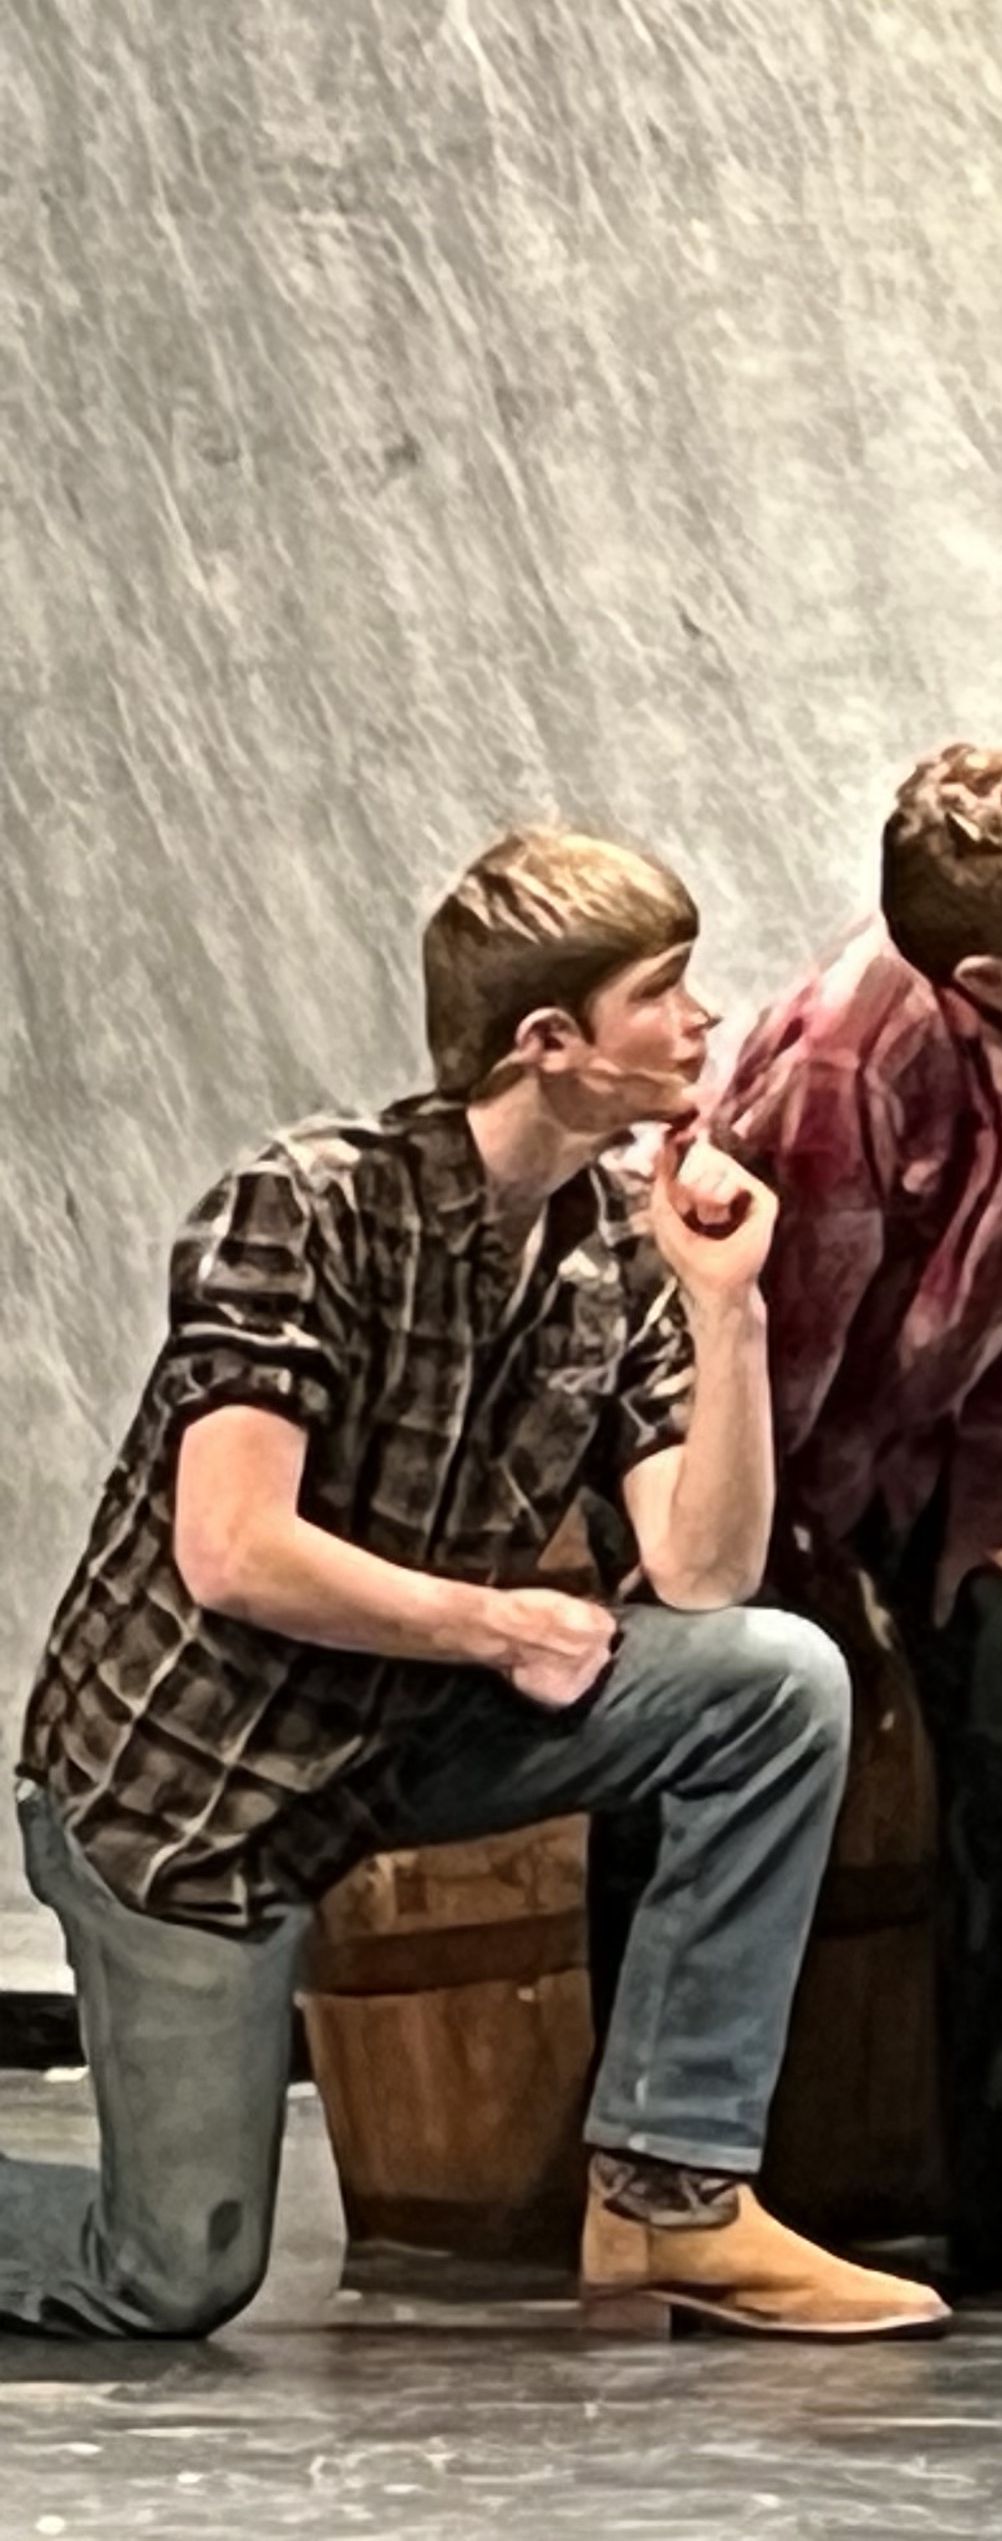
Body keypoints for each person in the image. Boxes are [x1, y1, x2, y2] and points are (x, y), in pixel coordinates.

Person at [5, 831, 943, 2342]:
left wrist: (729, 1313)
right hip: (193, 1790)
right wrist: (491, 1624)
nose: (702, 1018)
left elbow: (704, 1570)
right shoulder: (307, 1205)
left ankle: (671, 2196)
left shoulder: (615, 1251)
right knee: (169, 2274)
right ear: (550, 1040)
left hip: (407, 1735)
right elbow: (232, 1549)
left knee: (771, 1682)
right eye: (663, 990)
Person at [703, 746, 1002, 2291]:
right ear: (989, 975)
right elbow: (789, 1350)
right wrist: (805, 1567)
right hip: (778, 1445)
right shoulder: (849, 1060)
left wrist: (1001, 1490)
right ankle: (718, 2165)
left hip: (964, 1432)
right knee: (764, 1728)